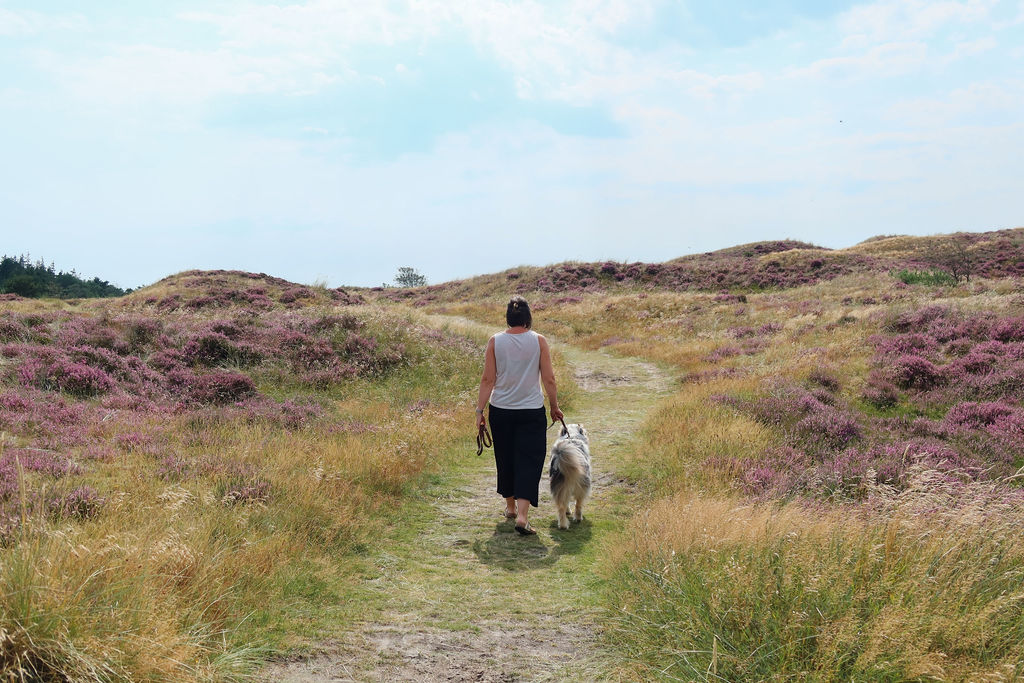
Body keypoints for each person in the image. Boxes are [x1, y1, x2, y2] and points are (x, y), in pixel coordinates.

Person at [476, 296, 563, 535]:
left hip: (501, 411)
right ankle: (522, 517)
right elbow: (549, 379)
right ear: (528, 318)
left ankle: (511, 508)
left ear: (508, 317)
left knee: (505, 458)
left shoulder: (495, 341)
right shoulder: (539, 341)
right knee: (529, 460)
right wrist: (554, 406)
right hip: (531, 411)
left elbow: (487, 380)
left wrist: (479, 411)